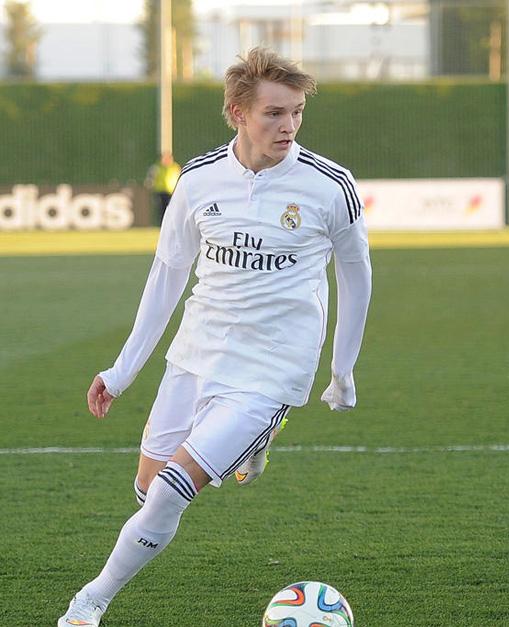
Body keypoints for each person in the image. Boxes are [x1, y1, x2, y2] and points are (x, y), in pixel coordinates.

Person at [58, 47, 372, 626]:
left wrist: (342, 368)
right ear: (237, 112)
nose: (289, 126)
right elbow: (167, 274)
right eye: (274, 113)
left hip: (273, 367)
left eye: (297, 112)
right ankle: (249, 445)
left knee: (173, 491)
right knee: (148, 491)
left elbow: (356, 273)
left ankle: (88, 603)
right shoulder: (199, 180)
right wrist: (122, 369)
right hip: (196, 353)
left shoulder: (330, 185)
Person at [145, 151, 181, 224]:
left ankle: (171, 224)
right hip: (160, 191)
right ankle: (162, 224)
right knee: (161, 209)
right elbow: (151, 178)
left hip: (172, 192)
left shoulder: (175, 167)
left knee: (172, 209)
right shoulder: (157, 167)